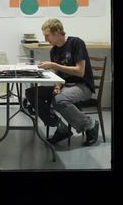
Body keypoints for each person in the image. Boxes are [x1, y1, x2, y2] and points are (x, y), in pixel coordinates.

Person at [24, 18, 100, 146]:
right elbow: (59, 74)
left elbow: (80, 71)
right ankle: (60, 127)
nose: (46, 39)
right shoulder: (54, 50)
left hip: (83, 86)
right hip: (65, 86)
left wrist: (54, 65)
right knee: (32, 93)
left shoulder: (76, 43)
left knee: (59, 100)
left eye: (47, 35)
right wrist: (57, 86)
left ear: (58, 32)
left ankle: (90, 125)